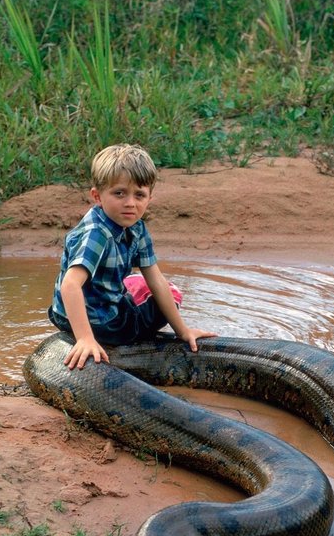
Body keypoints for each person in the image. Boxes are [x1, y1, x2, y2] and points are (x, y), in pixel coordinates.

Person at [48, 143, 217, 369]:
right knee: (172, 294)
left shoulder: (136, 228)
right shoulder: (97, 235)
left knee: (139, 284)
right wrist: (85, 339)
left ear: (150, 198)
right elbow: (70, 285)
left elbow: (155, 279)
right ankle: (95, 338)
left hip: (64, 314)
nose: (130, 203)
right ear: (97, 196)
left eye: (139, 195)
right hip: (103, 323)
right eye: (119, 193)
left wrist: (183, 332)